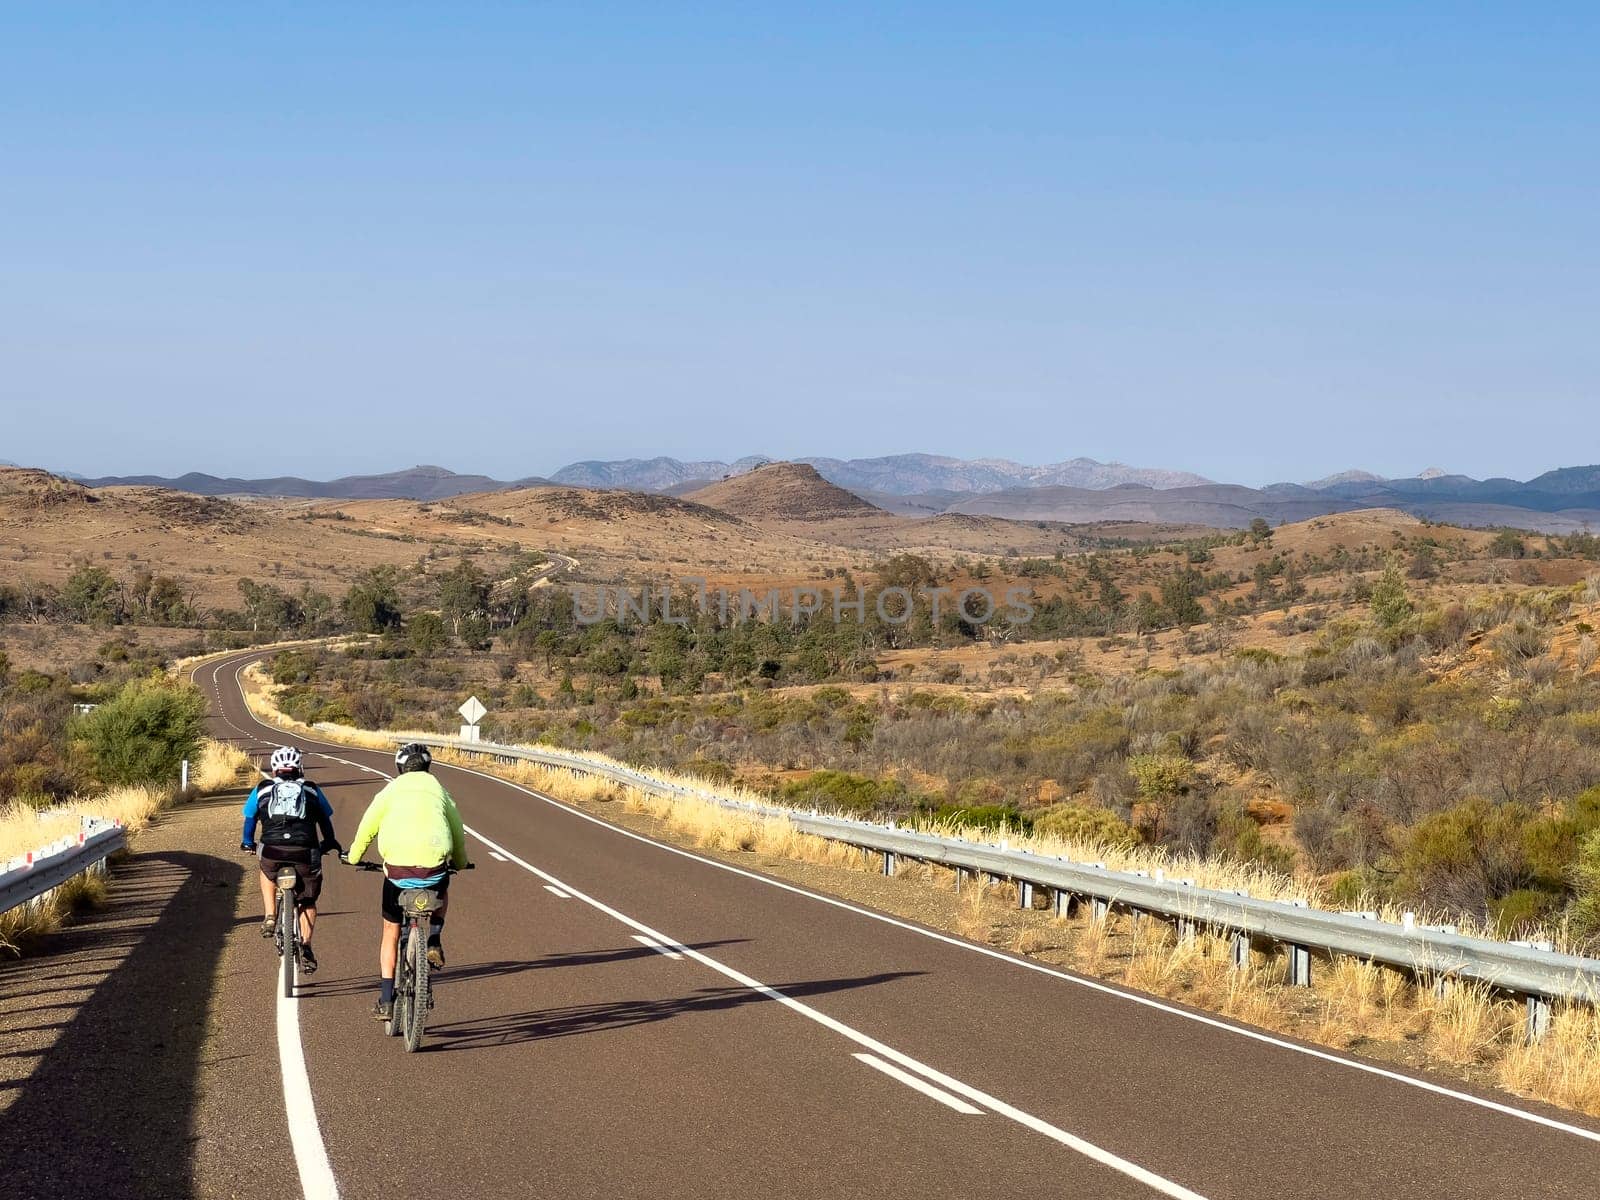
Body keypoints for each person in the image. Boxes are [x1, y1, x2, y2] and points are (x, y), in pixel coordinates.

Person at [344, 743, 468, 1020]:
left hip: (398, 874)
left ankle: (386, 1000)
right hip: (434, 870)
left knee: (390, 932)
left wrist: (354, 857)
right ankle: (434, 937)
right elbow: (457, 830)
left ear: (400, 768)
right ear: (428, 766)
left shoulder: (390, 791)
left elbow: (367, 827)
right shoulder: (439, 791)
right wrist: (459, 862)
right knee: (443, 884)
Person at [241, 745, 339, 975]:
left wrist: (248, 842)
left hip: (272, 850)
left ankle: (269, 915)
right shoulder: (312, 790)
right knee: (308, 900)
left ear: (275, 769)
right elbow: (325, 820)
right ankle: (305, 945)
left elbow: (249, 819)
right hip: (305, 852)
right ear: (299, 768)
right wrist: (330, 842)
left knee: (266, 870)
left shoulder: (262, 789)